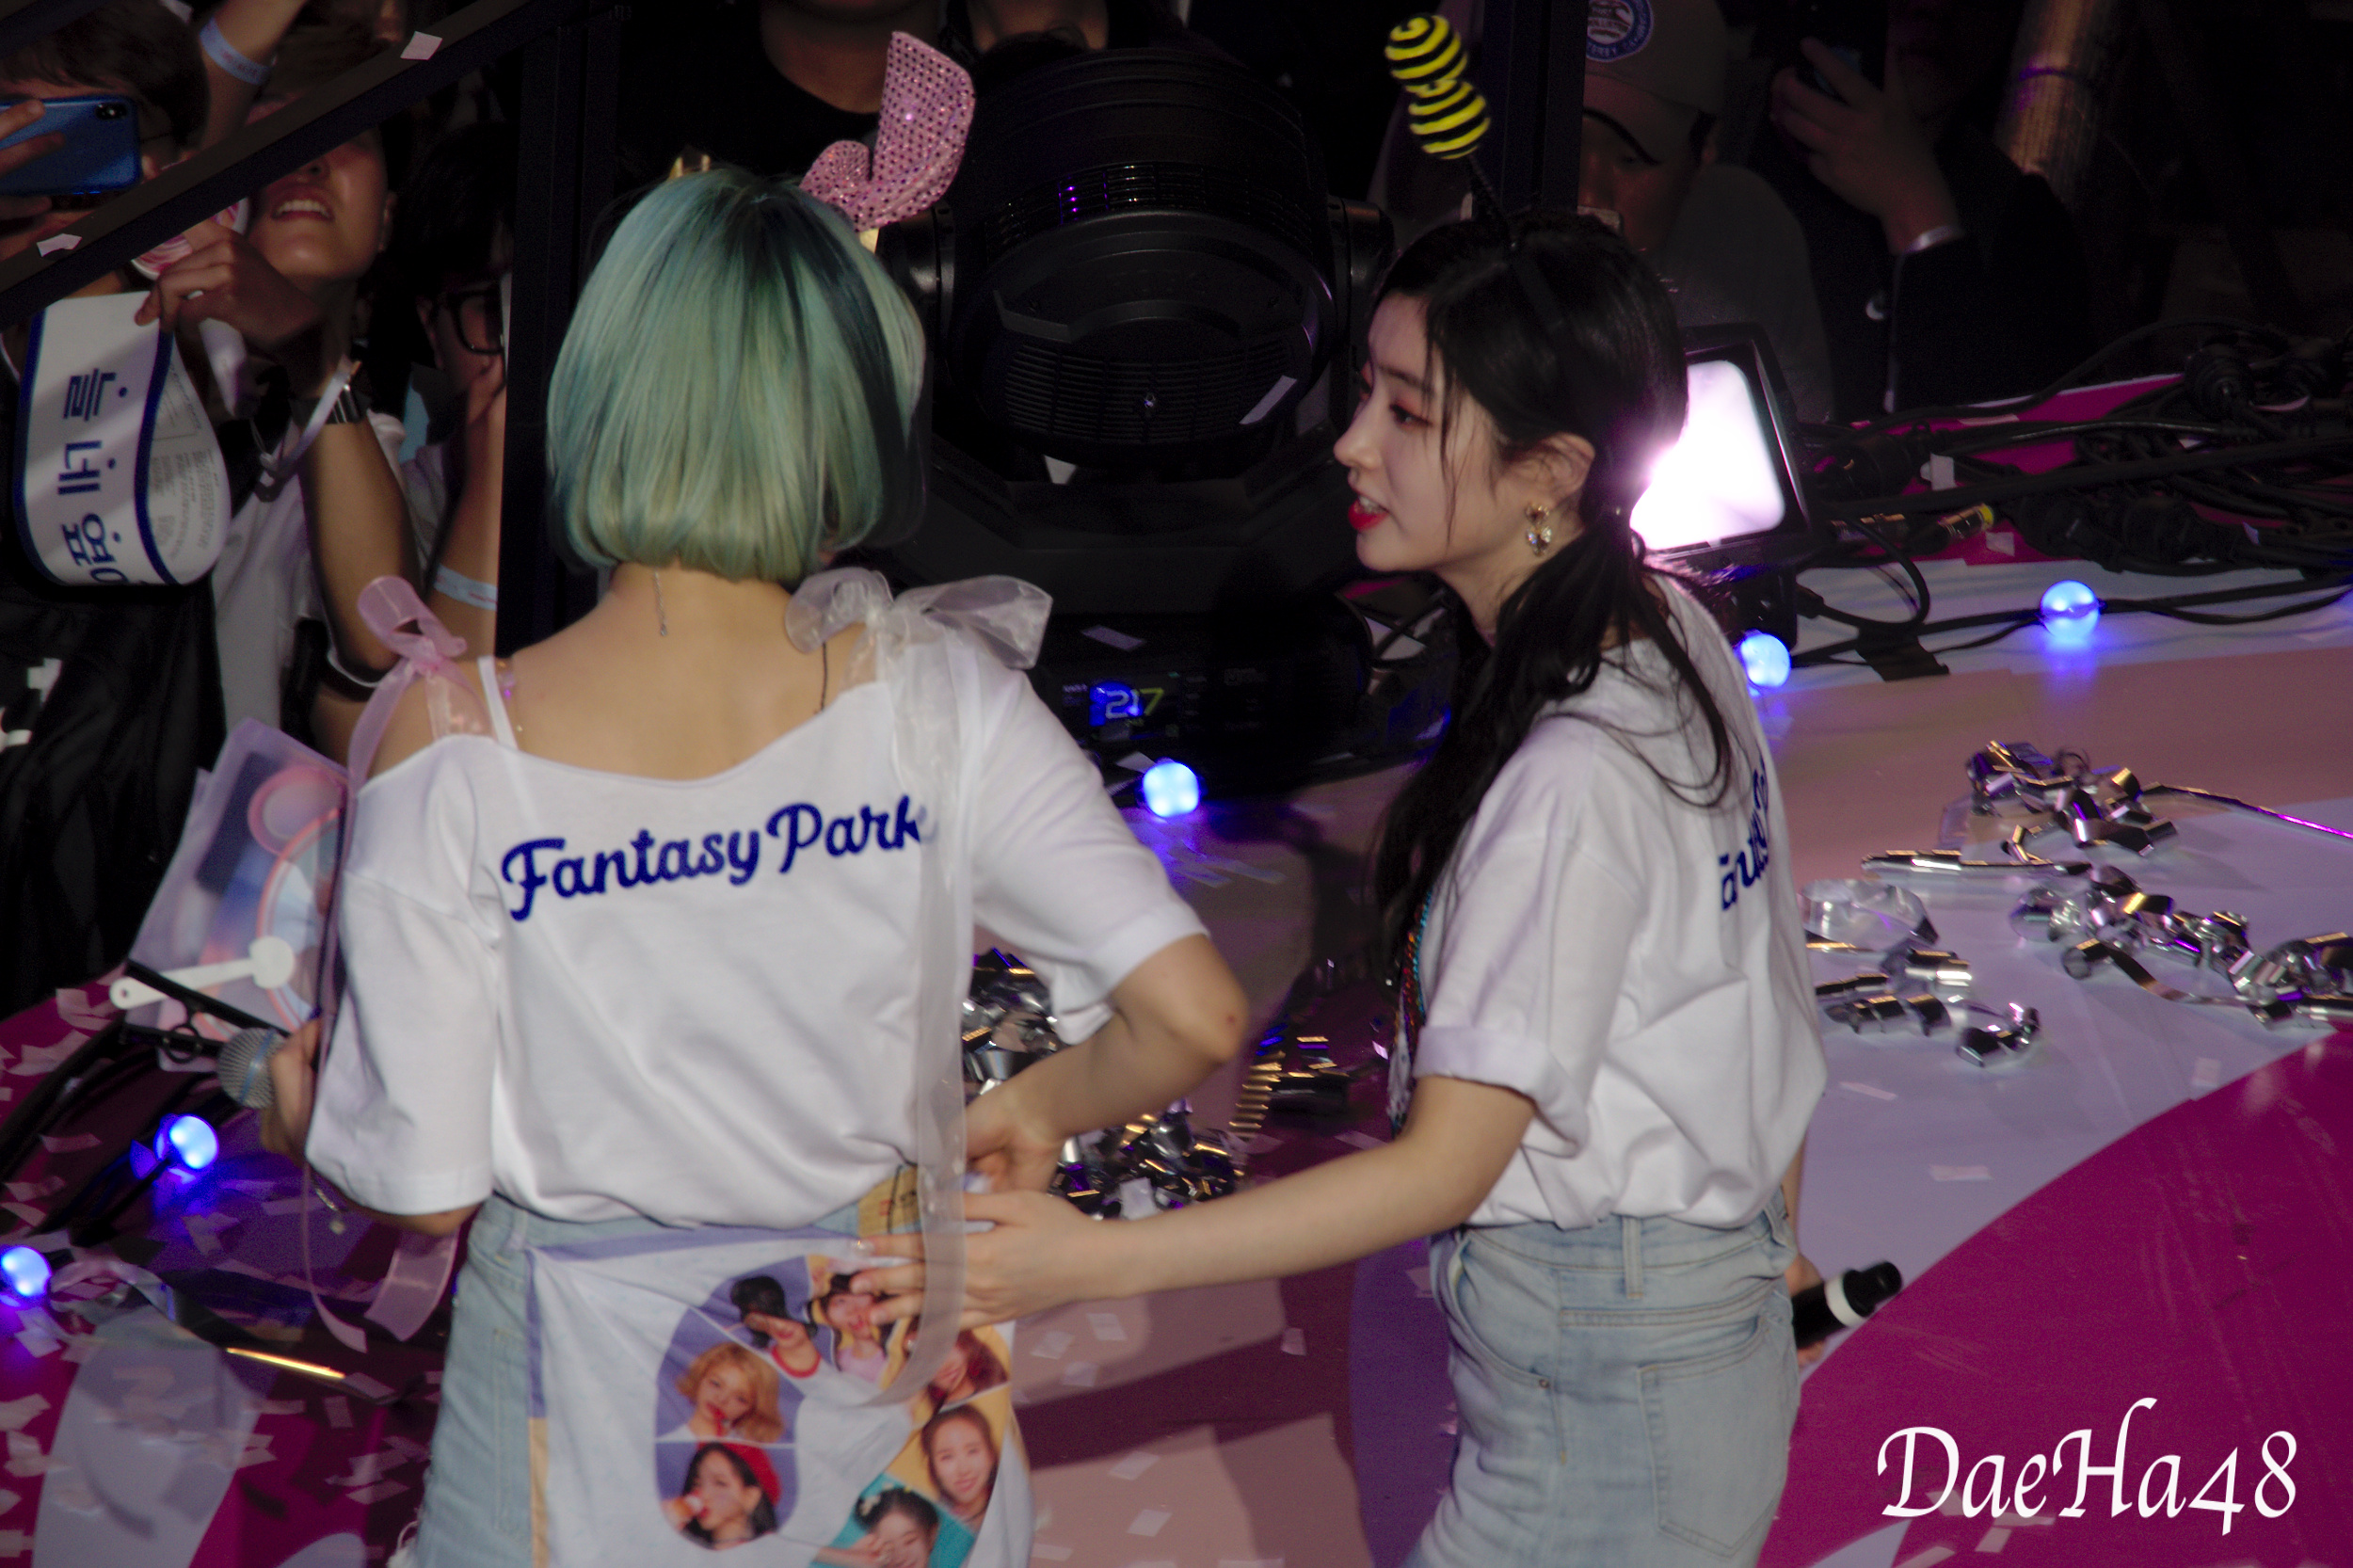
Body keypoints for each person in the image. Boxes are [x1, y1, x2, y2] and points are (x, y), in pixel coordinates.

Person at [264, 166, 1245, 1568]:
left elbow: (423, 1182)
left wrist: (306, 1112)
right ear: (844, 421)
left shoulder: (457, 738)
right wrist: (1027, 1105)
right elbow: (1194, 1013)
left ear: (599, 397)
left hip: (578, 1421)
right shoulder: (937, 691)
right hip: (884, 1371)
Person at [883, 213, 1828, 1567]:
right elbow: (1771, 998)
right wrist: (1772, 1251)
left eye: (1408, 412)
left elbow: (1444, 1166)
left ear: (1549, 472)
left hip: (1618, 1414)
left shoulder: (1575, 777)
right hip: (1678, 1351)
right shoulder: (1669, 624)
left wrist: (1088, 1260)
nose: (1350, 443)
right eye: (1367, 391)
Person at [0, 2, 225, 1016]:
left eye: (91, 134)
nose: (50, 172)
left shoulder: (216, 360)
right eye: (21, 126)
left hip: (126, 950)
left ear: (165, 165)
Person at [1746, 0, 2092, 416]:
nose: (1935, 10)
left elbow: (2027, 437)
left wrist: (1921, 216)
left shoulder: (2023, 224)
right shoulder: (1722, 137)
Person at [665, 1442, 783, 1549]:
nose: (702, 1495)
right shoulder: (683, 1547)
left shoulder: (767, 1552)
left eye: (720, 1483)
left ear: (750, 1497)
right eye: (697, 1484)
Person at [670, 1341, 788, 1444]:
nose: (722, 1399)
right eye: (716, 1384)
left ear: (752, 1410)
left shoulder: (747, 1453)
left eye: (740, 1399)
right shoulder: (669, 1445)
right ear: (700, 1377)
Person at [922, 1404, 999, 1536]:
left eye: (972, 1451)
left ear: (991, 1454)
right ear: (933, 1467)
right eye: (947, 1457)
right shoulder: (930, 1530)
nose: (963, 1470)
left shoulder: (1013, 1505)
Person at [732, 1274, 826, 1379]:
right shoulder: (758, 1368)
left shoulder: (835, 1357)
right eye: (762, 1319)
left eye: (781, 1314)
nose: (779, 1326)